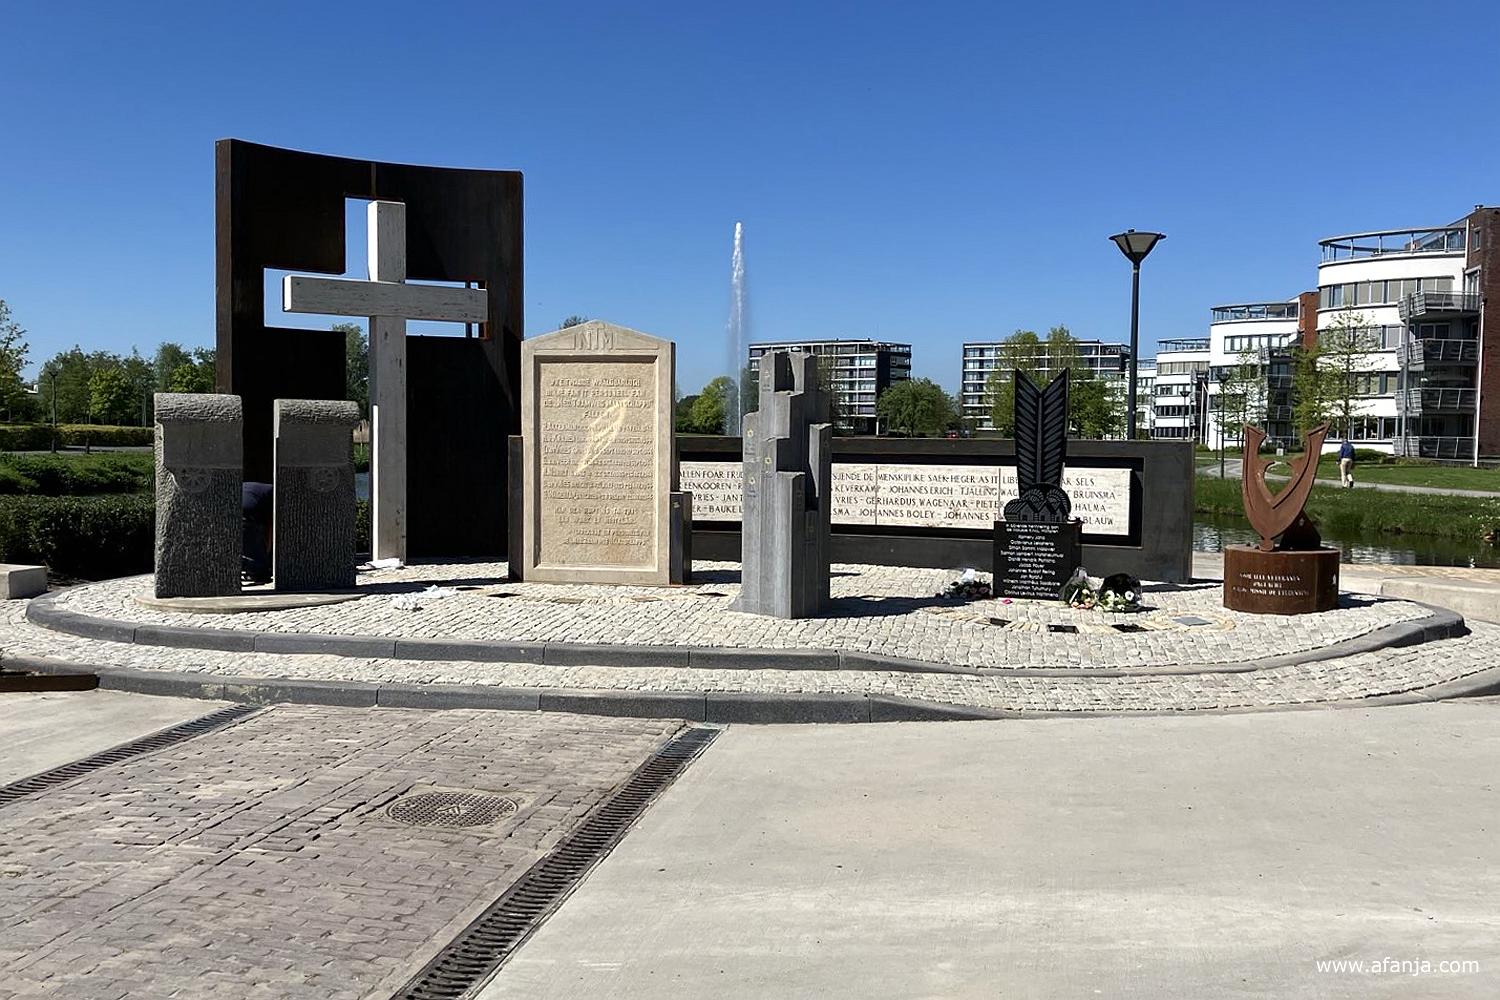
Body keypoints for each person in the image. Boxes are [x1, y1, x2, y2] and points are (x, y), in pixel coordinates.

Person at [242, 482, 273, 583]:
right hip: (251, 512)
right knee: (255, 540)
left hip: (233, 508)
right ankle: (257, 571)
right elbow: (270, 526)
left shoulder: (248, 486)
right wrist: (267, 549)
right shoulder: (275, 493)